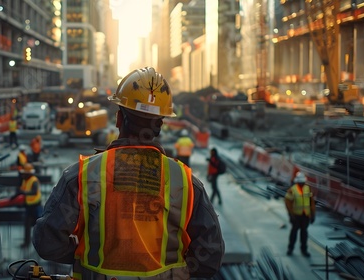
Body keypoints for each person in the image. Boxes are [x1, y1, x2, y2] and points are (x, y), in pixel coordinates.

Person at [33, 67, 224, 279]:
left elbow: (48, 243)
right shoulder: (185, 183)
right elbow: (210, 256)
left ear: (118, 118)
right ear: (160, 124)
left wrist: (87, 252)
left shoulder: (83, 176)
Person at [285, 171, 315, 257]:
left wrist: (313, 214)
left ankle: (304, 250)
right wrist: (290, 214)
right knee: (294, 232)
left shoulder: (307, 189)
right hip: (296, 216)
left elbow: (311, 201)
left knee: (304, 233)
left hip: (305, 216)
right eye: (301, 182)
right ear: (297, 182)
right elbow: (288, 203)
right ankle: (290, 248)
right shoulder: (292, 190)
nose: (302, 183)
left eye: (303, 182)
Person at [11, 163, 41, 248]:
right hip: (28, 206)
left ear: (29, 173)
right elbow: (21, 190)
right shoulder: (25, 180)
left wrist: (23, 193)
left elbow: (34, 192)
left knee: (39, 226)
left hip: (36, 206)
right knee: (27, 225)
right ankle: (26, 243)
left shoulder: (34, 180)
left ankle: (41, 243)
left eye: (24, 173)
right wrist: (14, 196)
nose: (23, 175)